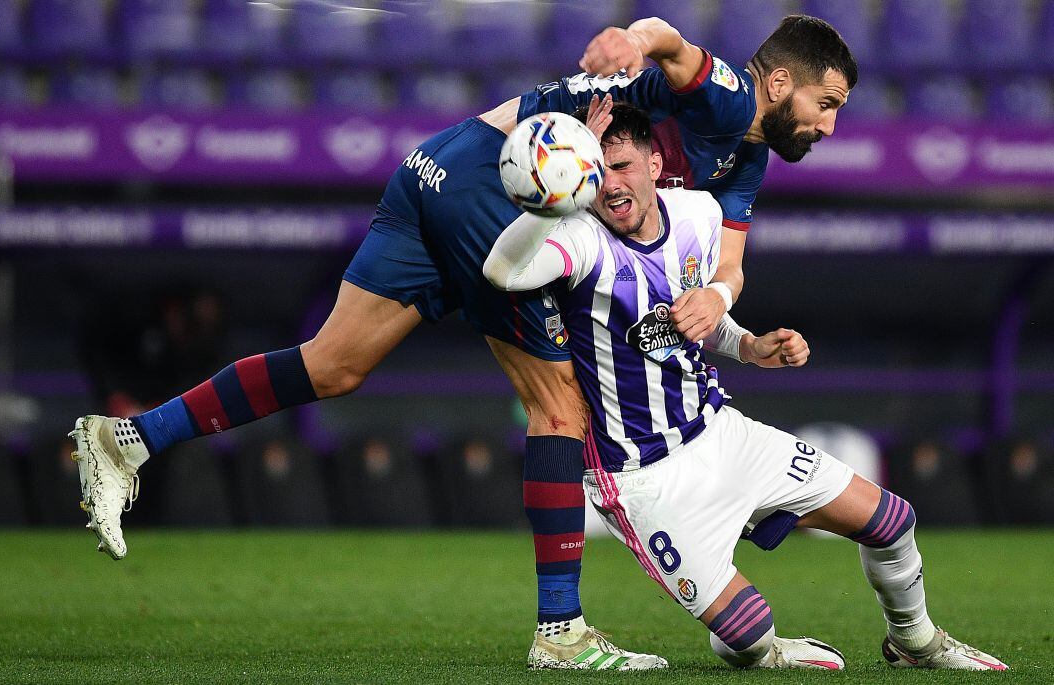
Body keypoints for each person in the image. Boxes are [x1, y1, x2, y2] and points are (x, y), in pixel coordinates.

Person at [70, 14, 855, 670]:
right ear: (781, 83)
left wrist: (720, 306)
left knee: (333, 364)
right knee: (561, 407)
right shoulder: (728, 101)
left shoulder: (746, 161)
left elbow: (726, 269)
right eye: (826, 104)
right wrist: (632, 38)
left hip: (439, 163)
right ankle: (561, 634)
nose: (828, 126)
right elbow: (669, 40)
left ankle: (131, 437)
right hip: (500, 187)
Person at [484, 102, 1007, 671]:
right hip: (643, 478)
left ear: (656, 164)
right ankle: (754, 640)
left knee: (891, 521)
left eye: (625, 166)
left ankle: (916, 640)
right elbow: (504, 273)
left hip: (721, 432)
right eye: (598, 172)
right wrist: (547, 200)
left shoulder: (698, 215)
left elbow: (703, 318)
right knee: (750, 639)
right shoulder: (582, 239)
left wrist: (750, 346)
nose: (613, 185)